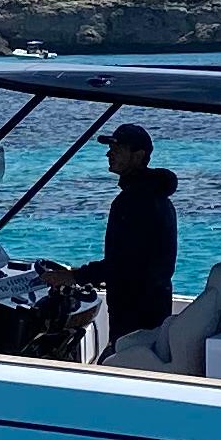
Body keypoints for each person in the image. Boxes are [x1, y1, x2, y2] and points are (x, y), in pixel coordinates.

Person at [73, 123, 180, 341]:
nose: (109, 154)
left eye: (117, 149)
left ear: (138, 155)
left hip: (135, 313)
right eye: (110, 148)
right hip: (153, 307)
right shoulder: (156, 197)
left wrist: (74, 276)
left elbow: (125, 264)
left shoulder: (134, 201)